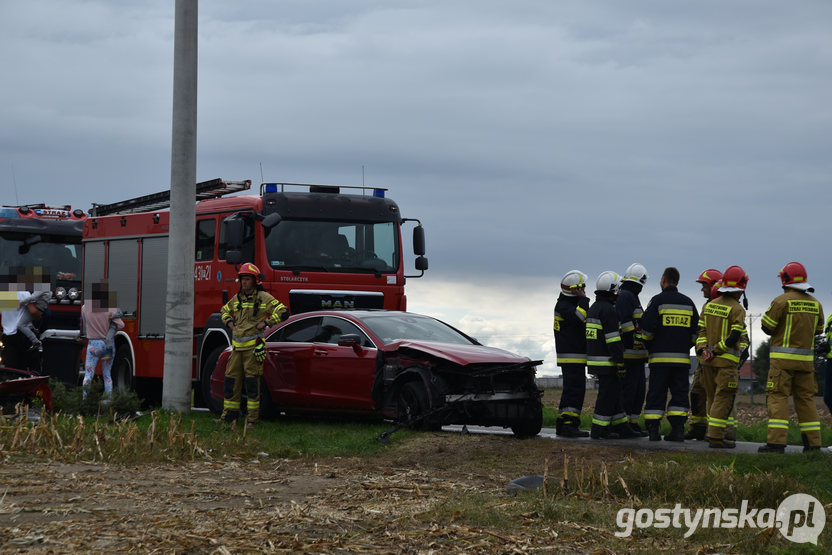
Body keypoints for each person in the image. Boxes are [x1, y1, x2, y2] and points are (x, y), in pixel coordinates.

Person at [758, 262, 824, 453]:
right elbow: (818, 330)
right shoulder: (816, 303)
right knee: (806, 400)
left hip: (782, 363)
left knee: (777, 398)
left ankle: (776, 443)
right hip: (806, 365)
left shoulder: (781, 301)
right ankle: (813, 445)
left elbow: (766, 327)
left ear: (784, 280)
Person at [219, 262, 287, 426]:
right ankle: (229, 418)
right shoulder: (238, 298)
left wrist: (267, 322)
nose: (244, 282)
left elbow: (283, 311)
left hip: (253, 350)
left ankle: (252, 420)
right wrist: (230, 323)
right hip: (236, 350)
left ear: (255, 281)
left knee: (251, 386)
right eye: (242, 279)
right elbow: (224, 311)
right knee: (231, 382)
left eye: (247, 279)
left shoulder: (264, 298)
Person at [639, 267, 699, 441]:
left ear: (664, 280)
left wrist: (649, 345)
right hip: (681, 361)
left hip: (659, 360)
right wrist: (684, 346)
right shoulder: (688, 303)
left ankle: (653, 431)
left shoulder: (657, 301)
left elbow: (647, 329)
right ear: (677, 281)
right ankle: (678, 430)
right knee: (680, 395)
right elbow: (696, 333)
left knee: (656, 394)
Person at [696, 265, 749, 449]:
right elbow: (734, 336)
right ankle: (716, 437)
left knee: (711, 398)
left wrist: (703, 350)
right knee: (723, 399)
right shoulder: (737, 309)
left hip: (707, 362)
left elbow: (700, 332)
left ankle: (712, 434)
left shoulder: (710, 306)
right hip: (726, 363)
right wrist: (717, 350)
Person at [586, 271, 637, 439]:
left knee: (614, 395)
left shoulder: (594, 308)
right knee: (607, 396)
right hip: (608, 362)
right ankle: (598, 429)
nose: (620, 292)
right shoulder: (609, 311)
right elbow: (614, 341)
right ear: (613, 290)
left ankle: (622, 427)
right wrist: (620, 362)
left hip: (596, 360)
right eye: (618, 289)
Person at [685, 269, 722, 440]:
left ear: (714, 285)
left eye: (704, 285)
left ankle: (720, 432)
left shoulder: (728, 306)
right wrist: (701, 350)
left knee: (718, 397)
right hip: (703, 360)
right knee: (697, 393)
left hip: (721, 363)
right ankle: (699, 427)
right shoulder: (707, 306)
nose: (702, 289)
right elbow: (701, 332)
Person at [553, 270, 590, 438]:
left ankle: (563, 424)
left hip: (572, 355)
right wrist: (583, 299)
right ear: (574, 289)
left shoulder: (565, 304)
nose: (584, 290)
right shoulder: (564, 306)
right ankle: (569, 426)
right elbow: (579, 318)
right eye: (582, 288)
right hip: (572, 355)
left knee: (571, 390)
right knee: (574, 391)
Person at [617, 263, 649, 436]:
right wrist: (635, 340)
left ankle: (633, 423)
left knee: (637, 392)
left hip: (636, 356)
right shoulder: (626, 296)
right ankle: (626, 425)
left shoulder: (629, 296)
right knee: (629, 391)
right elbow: (627, 324)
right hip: (629, 355)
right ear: (640, 282)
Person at [81, 280, 125, 397]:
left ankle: (85, 399)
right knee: (107, 374)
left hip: (93, 344)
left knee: (88, 374)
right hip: (107, 344)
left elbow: (85, 323)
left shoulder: (85, 307)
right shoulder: (110, 308)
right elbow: (121, 325)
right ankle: (108, 400)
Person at [1, 288, 50, 372]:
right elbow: (33, 311)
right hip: (24, 336)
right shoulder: (23, 293)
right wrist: (39, 316)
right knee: (31, 371)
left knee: (11, 370)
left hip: (8, 336)